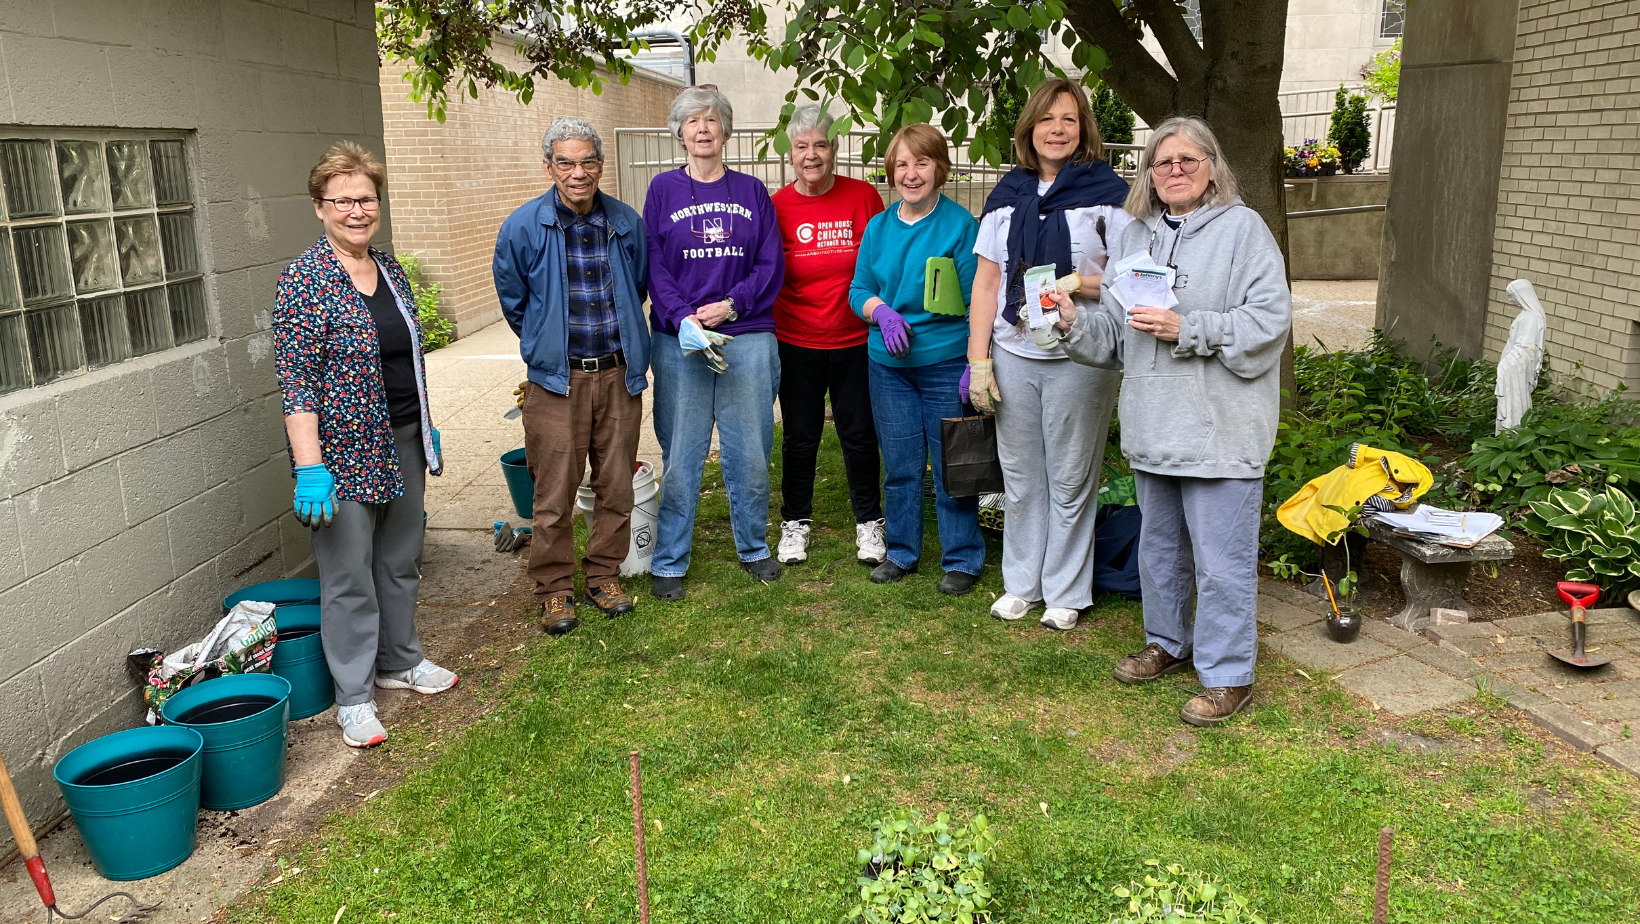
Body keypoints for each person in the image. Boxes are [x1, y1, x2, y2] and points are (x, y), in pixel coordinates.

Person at [1054, 116, 1291, 727]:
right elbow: (1116, 338)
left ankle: (1228, 673)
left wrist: (1190, 328)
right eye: (1163, 162)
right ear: (1149, 175)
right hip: (1153, 425)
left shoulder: (1244, 230)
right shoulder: (1137, 237)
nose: (1176, 170)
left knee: (1221, 562)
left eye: (1189, 159)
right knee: (1158, 552)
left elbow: (1269, 324)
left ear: (1213, 167)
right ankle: (1167, 641)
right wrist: (1073, 325)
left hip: (1222, 428)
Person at [274, 142, 457, 749]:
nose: (357, 211)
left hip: (402, 436)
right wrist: (310, 467)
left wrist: (423, 421)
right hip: (341, 452)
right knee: (349, 574)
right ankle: (354, 696)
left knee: (400, 558)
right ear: (320, 207)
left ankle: (399, 660)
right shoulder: (305, 281)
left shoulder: (390, 269)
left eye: (366, 199)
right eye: (343, 201)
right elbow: (297, 382)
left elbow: (406, 355)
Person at [967, 78, 1129, 632]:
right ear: (1028, 129)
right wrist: (979, 360)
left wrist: (1078, 282)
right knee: (1020, 477)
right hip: (1015, 353)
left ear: (1084, 128)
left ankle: (1065, 590)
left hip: (1079, 356)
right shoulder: (1006, 197)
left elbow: (1130, 277)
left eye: (1068, 119)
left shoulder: (1110, 196)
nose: (1057, 129)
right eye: (1046, 119)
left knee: (1071, 475)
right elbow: (987, 284)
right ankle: (1021, 584)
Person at [493, 118, 649, 637]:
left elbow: (638, 287)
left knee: (616, 486)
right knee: (553, 495)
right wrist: (545, 342)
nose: (578, 173)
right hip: (557, 382)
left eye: (587, 162)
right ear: (549, 167)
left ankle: (603, 576)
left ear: (600, 165)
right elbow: (515, 301)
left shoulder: (625, 222)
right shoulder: (522, 227)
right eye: (566, 162)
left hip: (618, 375)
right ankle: (554, 588)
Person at [645, 86, 785, 601]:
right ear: (679, 133)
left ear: (725, 130)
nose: (702, 129)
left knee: (750, 449)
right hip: (680, 339)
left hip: (745, 333)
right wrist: (681, 315)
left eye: (711, 120)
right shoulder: (662, 190)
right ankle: (669, 559)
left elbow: (770, 263)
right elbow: (653, 262)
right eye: (692, 121)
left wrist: (731, 305)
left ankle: (753, 546)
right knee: (681, 451)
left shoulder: (752, 191)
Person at [849, 124, 984, 595]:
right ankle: (902, 552)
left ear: (939, 168)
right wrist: (880, 312)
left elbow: (976, 301)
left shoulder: (960, 227)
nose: (911, 174)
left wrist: (975, 361)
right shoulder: (878, 227)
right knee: (901, 465)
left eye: (921, 163)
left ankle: (962, 557)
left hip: (945, 363)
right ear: (891, 172)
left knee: (952, 464)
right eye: (902, 164)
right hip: (889, 367)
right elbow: (859, 289)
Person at [770, 104, 886, 567]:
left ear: (834, 150)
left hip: (856, 340)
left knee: (860, 434)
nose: (811, 155)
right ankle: (795, 523)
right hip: (797, 340)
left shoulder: (863, 197)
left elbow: (881, 262)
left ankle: (869, 522)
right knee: (800, 437)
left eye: (820, 145)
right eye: (802, 147)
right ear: (790, 153)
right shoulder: (777, 206)